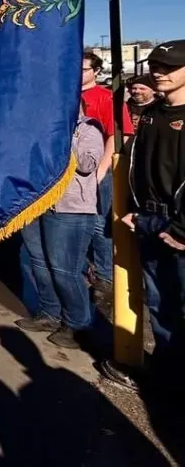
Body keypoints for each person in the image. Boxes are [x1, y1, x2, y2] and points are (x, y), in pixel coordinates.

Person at [109, 40, 185, 388]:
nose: (159, 72)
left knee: (178, 306)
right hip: (149, 219)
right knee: (160, 303)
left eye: (169, 67)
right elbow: (140, 167)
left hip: (178, 225)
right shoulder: (152, 113)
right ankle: (169, 379)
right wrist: (134, 210)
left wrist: (181, 228)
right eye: (155, 65)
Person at [17, 99, 104, 350]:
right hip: (37, 204)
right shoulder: (40, 128)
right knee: (39, 262)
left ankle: (77, 324)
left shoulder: (89, 129)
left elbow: (87, 165)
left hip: (70, 211)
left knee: (65, 270)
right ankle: (49, 313)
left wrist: (66, 134)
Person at [81, 52, 135, 299]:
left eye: (84, 69)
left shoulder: (107, 97)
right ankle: (84, 266)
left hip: (97, 172)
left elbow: (119, 134)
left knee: (98, 224)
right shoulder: (65, 95)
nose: (78, 73)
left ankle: (104, 275)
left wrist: (101, 170)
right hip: (69, 173)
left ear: (96, 72)